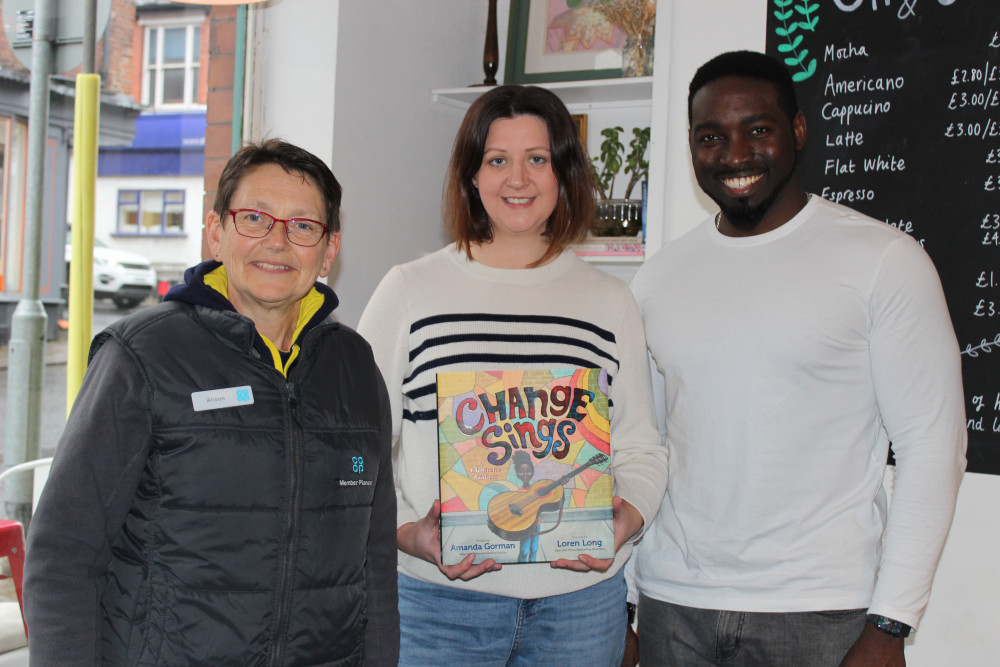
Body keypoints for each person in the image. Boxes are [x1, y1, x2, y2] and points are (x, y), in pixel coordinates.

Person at [628, 50, 967, 666]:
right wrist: (626, 603)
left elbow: (932, 445)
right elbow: (642, 449)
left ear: (798, 130)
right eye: (711, 137)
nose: (734, 155)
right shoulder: (658, 281)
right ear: (691, 146)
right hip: (671, 605)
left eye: (758, 129)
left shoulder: (883, 260)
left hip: (820, 612)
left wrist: (890, 625)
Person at [23, 139, 399, 665]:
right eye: (254, 218)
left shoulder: (355, 368)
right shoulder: (143, 355)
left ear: (328, 250)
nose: (277, 241)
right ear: (216, 233)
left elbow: (374, 560)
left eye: (302, 226)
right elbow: (65, 552)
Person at [357, 84, 667, 666]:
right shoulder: (409, 291)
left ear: (564, 173)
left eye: (538, 159)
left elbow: (642, 451)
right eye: (497, 160)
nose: (517, 179)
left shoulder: (609, 302)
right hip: (437, 607)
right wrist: (407, 532)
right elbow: (353, 450)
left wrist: (626, 520)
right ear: (472, 175)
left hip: (580, 608)